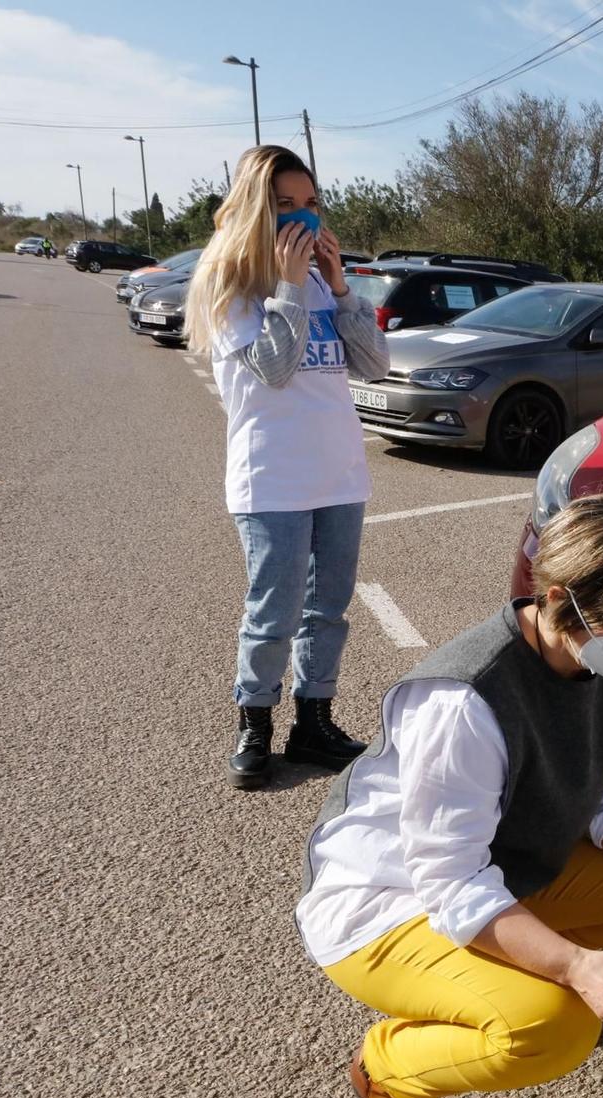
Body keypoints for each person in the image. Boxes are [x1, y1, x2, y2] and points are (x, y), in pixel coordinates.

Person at [298, 492, 603, 1098]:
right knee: (552, 1030)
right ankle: (389, 1072)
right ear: (560, 598)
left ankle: (541, 974)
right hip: (388, 902)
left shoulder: (601, 659)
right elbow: (450, 882)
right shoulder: (465, 700)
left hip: (497, 866)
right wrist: (577, 967)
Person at [186, 145, 389, 790]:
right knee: (272, 611)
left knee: (328, 609)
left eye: (309, 204)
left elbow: (374, 365)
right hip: (271, 477)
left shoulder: (318, 286)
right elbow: (274, 368)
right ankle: (255, 723)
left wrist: (338, 286)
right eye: (284, 207)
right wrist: (287, 286)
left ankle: (314, 720)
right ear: (254, 210)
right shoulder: (234, 288)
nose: (301, 219)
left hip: (340, 474)